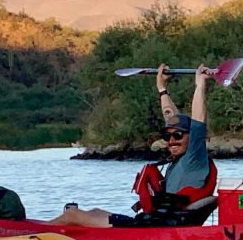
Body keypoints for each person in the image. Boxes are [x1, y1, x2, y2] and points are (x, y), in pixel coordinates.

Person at [48, 63, 216, 228]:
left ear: (191, 137)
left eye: (178, 135)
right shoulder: (180, 159)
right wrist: (162, 88)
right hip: (153, 221)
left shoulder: (195, 159)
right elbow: (171, 117)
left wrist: (200, 85)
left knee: (73, 215)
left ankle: (32, 235)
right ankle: (43, 232)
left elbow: (198, 123)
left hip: (157, 228)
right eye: (167, 135)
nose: (171, 140)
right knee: (94, 211)